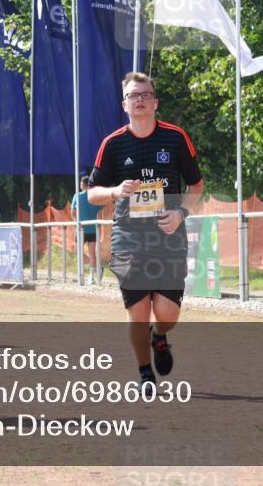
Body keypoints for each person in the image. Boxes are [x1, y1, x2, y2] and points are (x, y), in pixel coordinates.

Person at [87, 72, 203, 390]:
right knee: (138, 311)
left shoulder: (175, 137)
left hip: (168, 236)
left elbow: (196, 184)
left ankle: (160, 335)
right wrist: (115, 191)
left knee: (166, 314)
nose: (139, 100)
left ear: (155, 102)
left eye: (145, 94)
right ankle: (144, 372)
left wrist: (180, 213)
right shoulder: (112, 144)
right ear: (124, 104)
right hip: (129, 238)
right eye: (133, 95)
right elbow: (91, 194)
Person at [71, 176, 103, 284]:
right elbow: (99, 213)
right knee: (92, 253)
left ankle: (83, 274)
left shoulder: (77, 196)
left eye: (80, 183)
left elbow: (72, 212)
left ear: (82, 184)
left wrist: (76, 221)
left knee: (78, 252)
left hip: (81, 228)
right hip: (93, 229)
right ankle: (91, 276)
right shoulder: (94, 197)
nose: (79, 185)